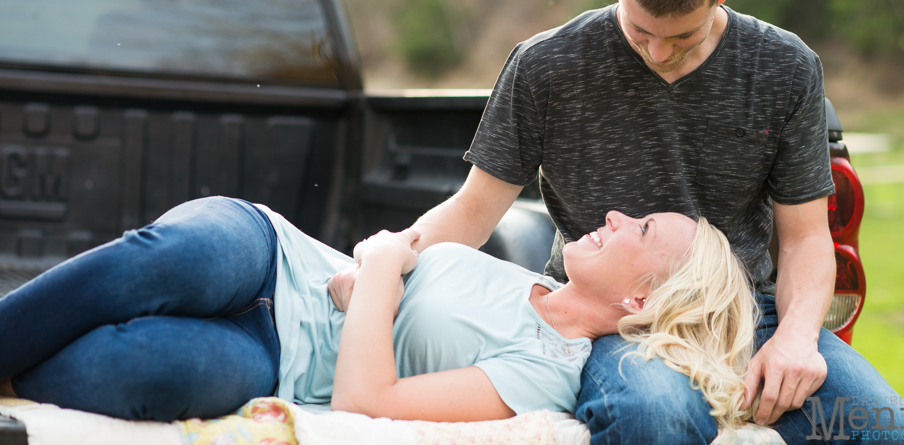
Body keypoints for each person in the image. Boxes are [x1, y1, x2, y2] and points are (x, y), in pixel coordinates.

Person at [397, 0, 904, 444]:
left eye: (682, 36)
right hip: (615, 317)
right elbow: (473, 211)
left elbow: (804, 240)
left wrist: (795, 338)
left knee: (890, 432)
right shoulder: (546, 65)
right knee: (655, 415)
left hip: (745, 311)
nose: (656, 52)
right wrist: (385, 263)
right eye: (640, 31)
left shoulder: (785, 67)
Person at [0, 196, 756, 434]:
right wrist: (373, 271)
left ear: (643, 301)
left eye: (643, 231)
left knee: (151, 368)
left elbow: (370, 401)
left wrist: (381, 279)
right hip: (278, 256)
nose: (618, 216)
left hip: (277, 357)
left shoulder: (546, 374)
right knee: (169, 260)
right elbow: (381, 256)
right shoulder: (521, 273)